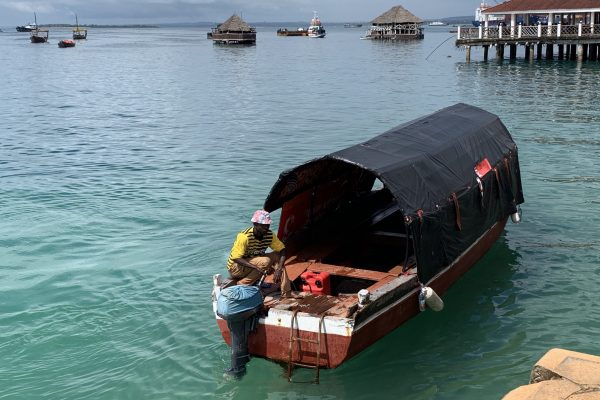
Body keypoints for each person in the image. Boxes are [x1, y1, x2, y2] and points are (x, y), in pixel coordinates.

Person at [226, 210, 291, 296]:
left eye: (268, 225)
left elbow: (282, 250)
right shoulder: (244, 237)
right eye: (263, 226)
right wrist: (255, 267)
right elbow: (236, 258)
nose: (266, 229)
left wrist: (279, 269)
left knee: (277, 256)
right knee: (265, 261)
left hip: (253, 262)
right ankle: (243, 284)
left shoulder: (269, 235)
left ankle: (286, 292)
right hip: (236, 268)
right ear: (255, 224)